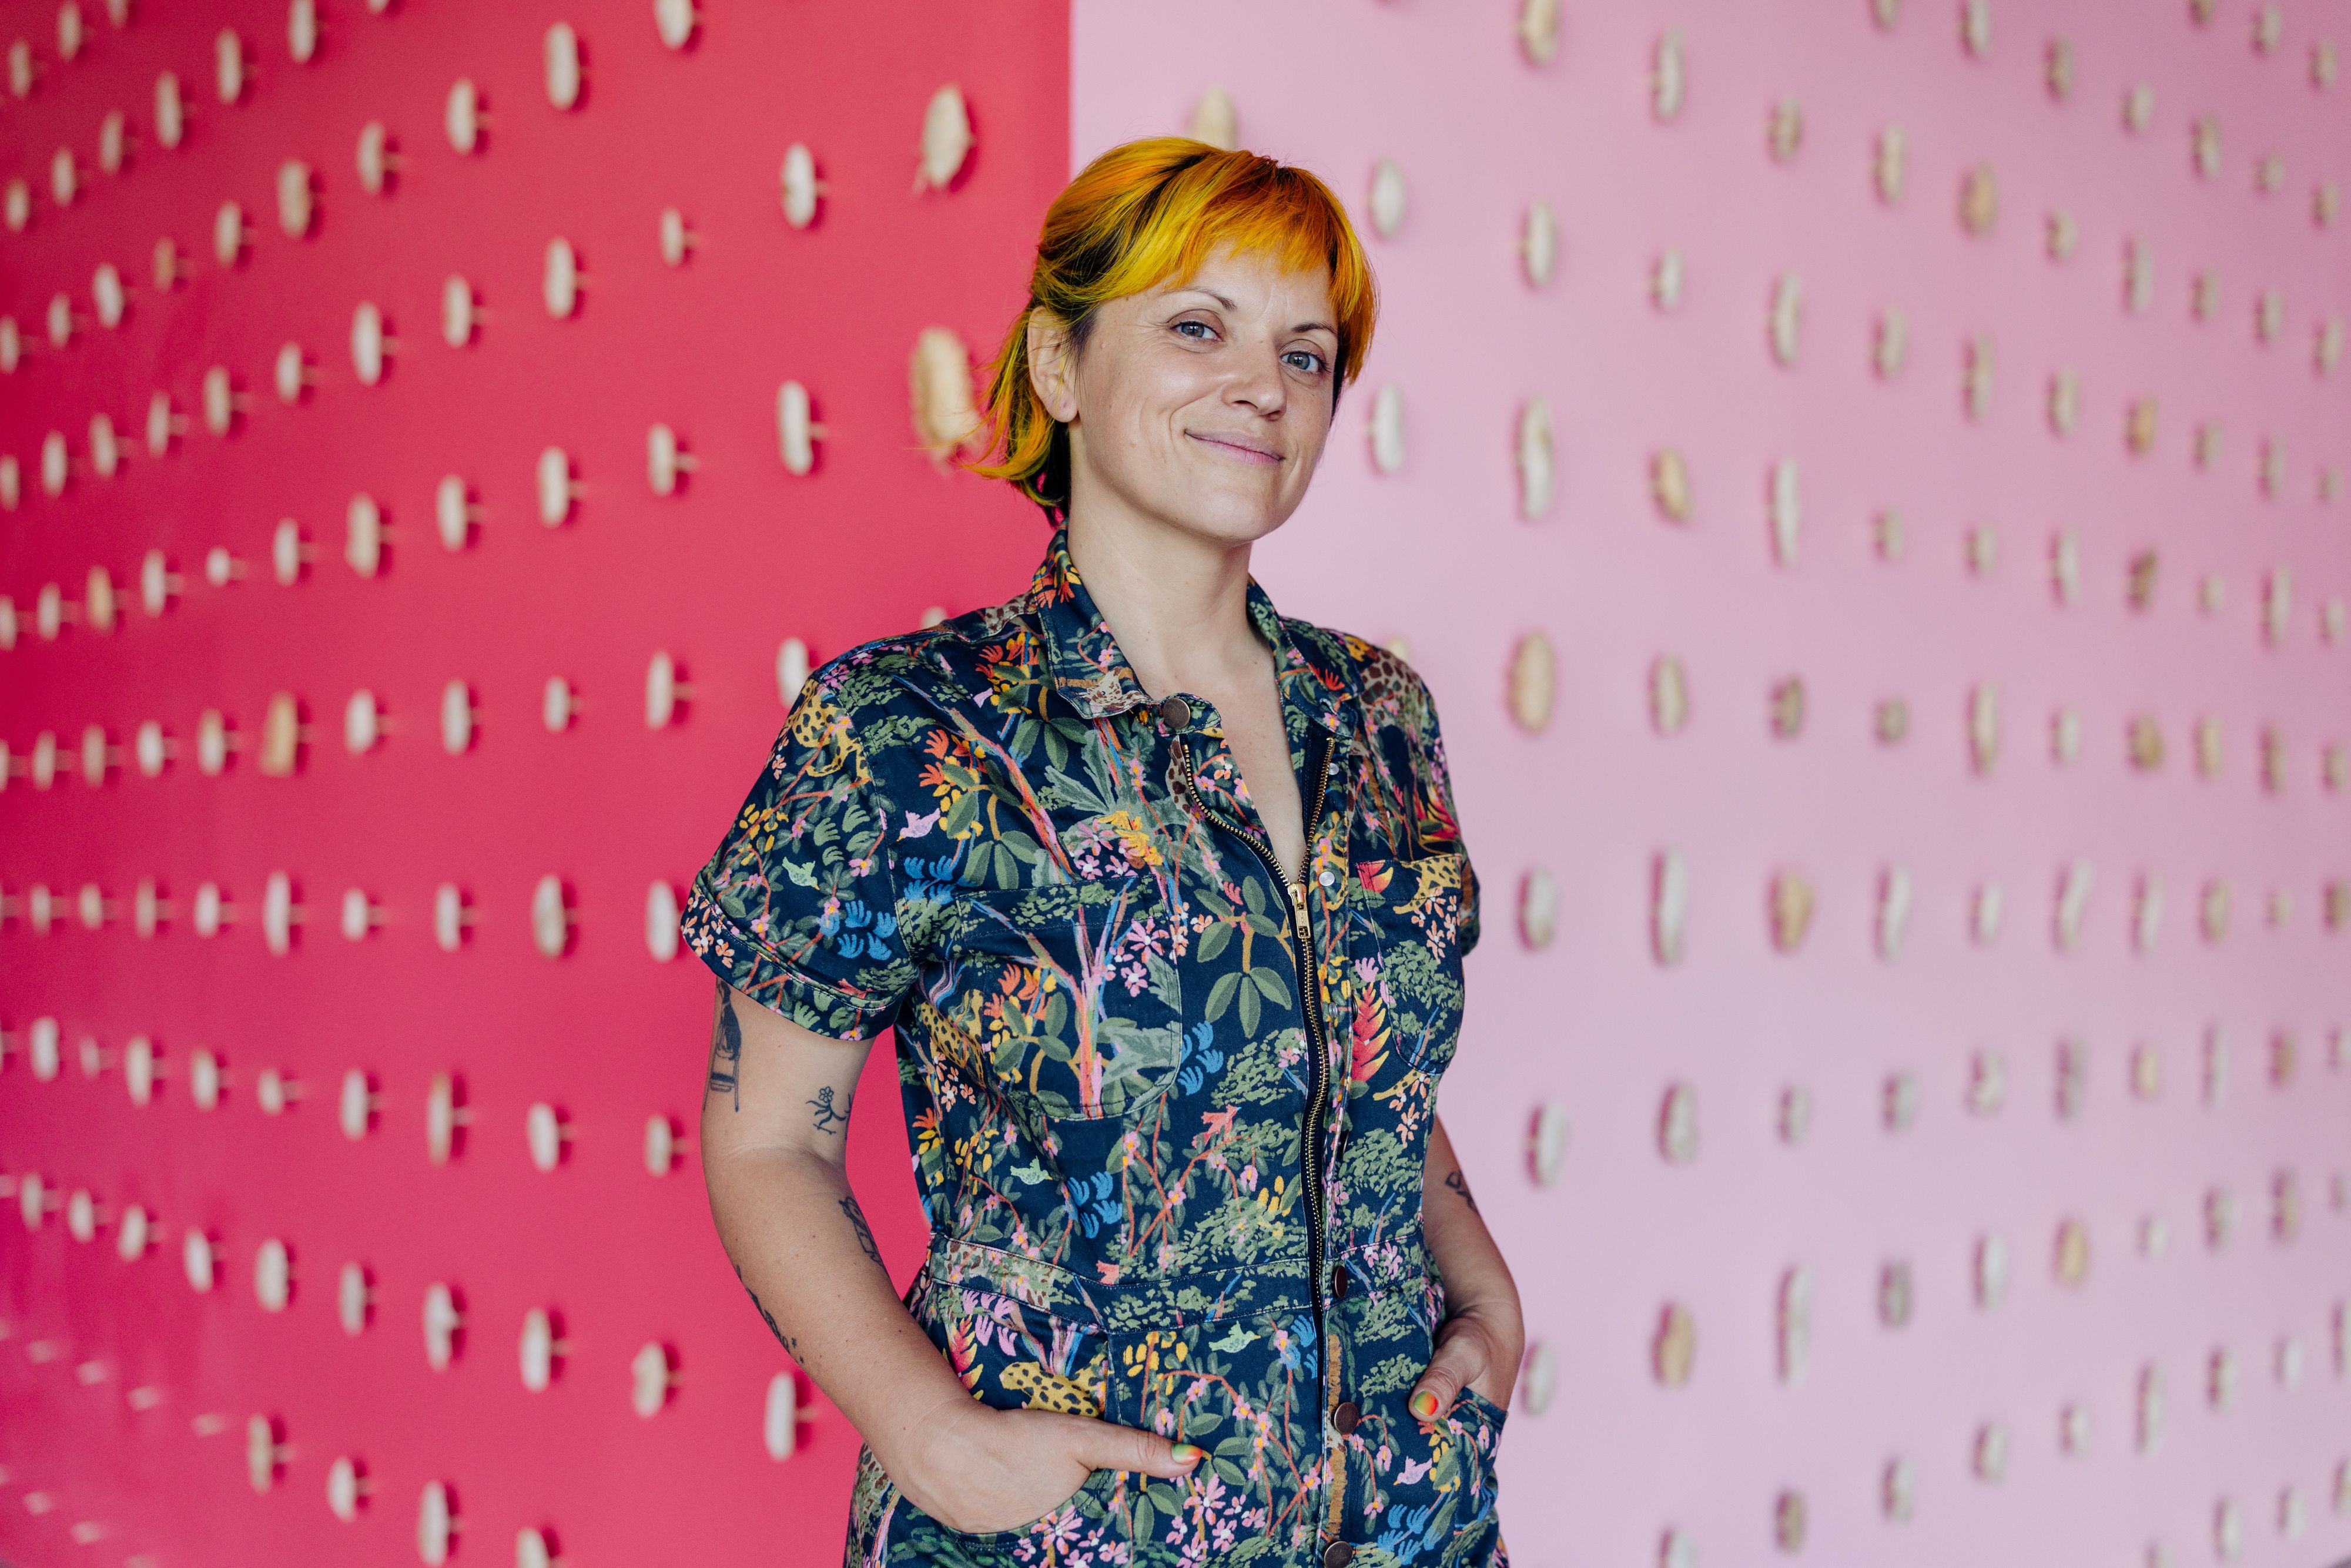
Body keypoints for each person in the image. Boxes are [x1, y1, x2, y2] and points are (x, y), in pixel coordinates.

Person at [685, 136, 1522, 1568]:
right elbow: (768, 1135)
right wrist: (920, 1427)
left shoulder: (1380, 715)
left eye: (1305, 353)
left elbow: (1356, 1057)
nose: (1263, 384)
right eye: (1197, 326)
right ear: (1058, 368)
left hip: (1406, 1525)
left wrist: (1485, 1293)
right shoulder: (908, 727)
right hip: (1067, 1535)